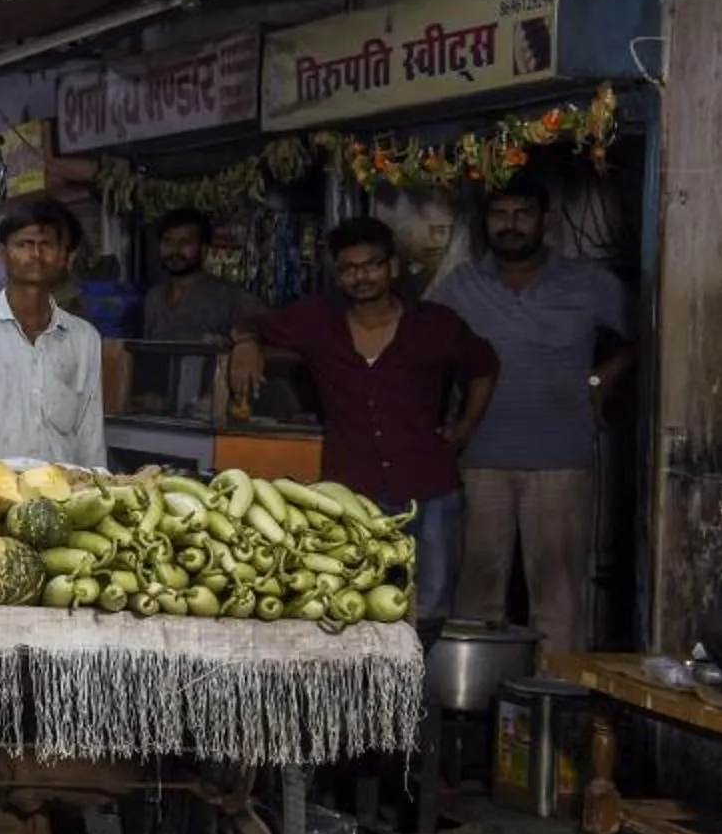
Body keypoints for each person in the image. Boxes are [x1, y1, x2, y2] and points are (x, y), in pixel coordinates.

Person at [228, 217, 498, 620]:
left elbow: (485, 366)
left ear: (392, 266)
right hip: (353, 496)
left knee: (430, 609)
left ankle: (424, 685)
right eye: (349, 269)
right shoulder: (318, 321)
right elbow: (245, 321)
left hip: (429, 489)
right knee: (355, 603)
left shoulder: (434, 325)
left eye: (371, 265)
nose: (361, 277)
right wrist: (247, 345)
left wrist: (465, 428)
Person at [426, 174, 629, 656]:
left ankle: (558, 712)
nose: (510, 225)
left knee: (558, 603)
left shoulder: (589, 284)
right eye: (500, 214)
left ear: (546, 221)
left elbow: (645, 336)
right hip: (479, 463)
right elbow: (420, 349)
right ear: (486, 222)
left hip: (560, 462)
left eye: (522, 213)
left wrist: (603, 378)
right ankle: (478, 711)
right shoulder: (460, 286)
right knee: (476, 600)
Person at [0, 200, 106, 469]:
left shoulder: (84, 339)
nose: (36, 254)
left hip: (60, 495)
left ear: (63, 256)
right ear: (2, 252)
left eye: (46, 244)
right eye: (24, 244)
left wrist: (96, 490)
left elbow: (90, 431)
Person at [135, 208, 258, 418]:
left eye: (185, 243)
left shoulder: (229, 295)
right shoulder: (153, 297)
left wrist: (247, 345)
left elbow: (263, 329)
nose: (175, 251)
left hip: (209, 413)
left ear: (203, 249)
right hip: (161, 413)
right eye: (168, 242)